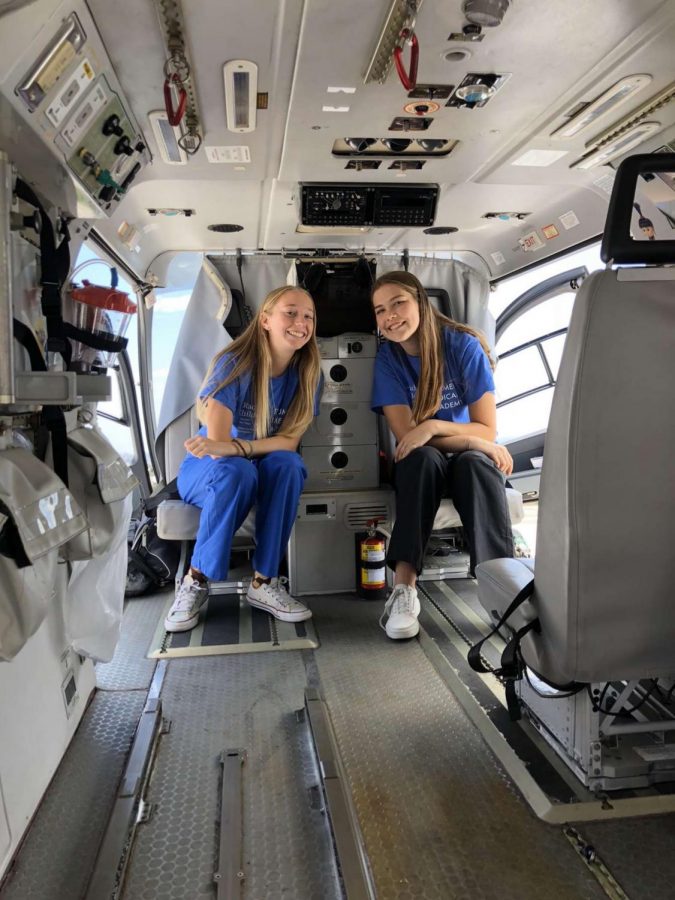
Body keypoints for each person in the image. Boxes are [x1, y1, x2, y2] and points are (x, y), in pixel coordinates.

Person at [164, 286, 322, 632]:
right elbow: (217, 443)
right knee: (238, 473)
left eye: (308, 316)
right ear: (265, 320)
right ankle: (195, 580)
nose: (301, 322)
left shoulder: (309, 372)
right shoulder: (234, 362)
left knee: (289, 465)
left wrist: (243, 448)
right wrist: (237, 451)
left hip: (245, 458)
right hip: (208, 467)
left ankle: (265, 583)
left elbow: (290, 441)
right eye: (291, 312)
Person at [370, 271, 514, 641]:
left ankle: (502, 590)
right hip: (427, 459)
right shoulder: (387, 359)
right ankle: (404, 591)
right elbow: (409, 439)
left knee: (476, 467)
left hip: (467, 457)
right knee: (421, 460)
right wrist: (469, 441)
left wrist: (433, 427)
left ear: (420, 301)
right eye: (380, 310)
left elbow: (486, 429)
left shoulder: (462, 346)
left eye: (398, 303)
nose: (390, 316)